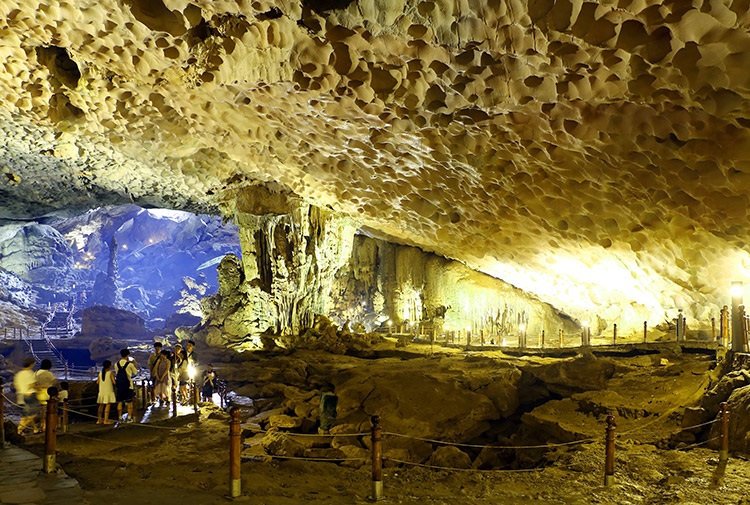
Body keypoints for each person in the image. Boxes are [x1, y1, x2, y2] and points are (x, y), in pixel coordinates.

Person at [13, 357, 40, 434]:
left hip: (20, 396)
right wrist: (39, 387)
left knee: (26, 414)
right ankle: (19, 429)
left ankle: (35, 429)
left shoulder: (18, 374)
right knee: (33, 413)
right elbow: (31, 385)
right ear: (31, 364)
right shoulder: (30, 373)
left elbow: (15, 385)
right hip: (30, 395)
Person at [114, 349, 138, 422]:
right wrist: (134, 363)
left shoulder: (116, 364)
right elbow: (135, 373)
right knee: (129, 402)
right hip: (128, 385)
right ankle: (129, 417)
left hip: (120, 386)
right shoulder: (129, 364)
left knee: (120, 402)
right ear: (128, 355)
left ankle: (120, 417)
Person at [35, 359, 56, 430]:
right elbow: (52, 382)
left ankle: (41, 423)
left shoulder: (37, 373)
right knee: (47, 410)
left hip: (39, 392)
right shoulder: (48, 373)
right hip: (47, 393)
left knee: (41, 410)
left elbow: (34, 382)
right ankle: (44, 425)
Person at [96, 360, 116, 424]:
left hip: (101, 391)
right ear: (109, 366)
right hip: (108, 391)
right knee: (108, 405)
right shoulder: (110, 373)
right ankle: (106, 420)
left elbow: (97, 382)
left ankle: (99, 420)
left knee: (101, 405)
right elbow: (114, 382)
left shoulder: (100, 373)